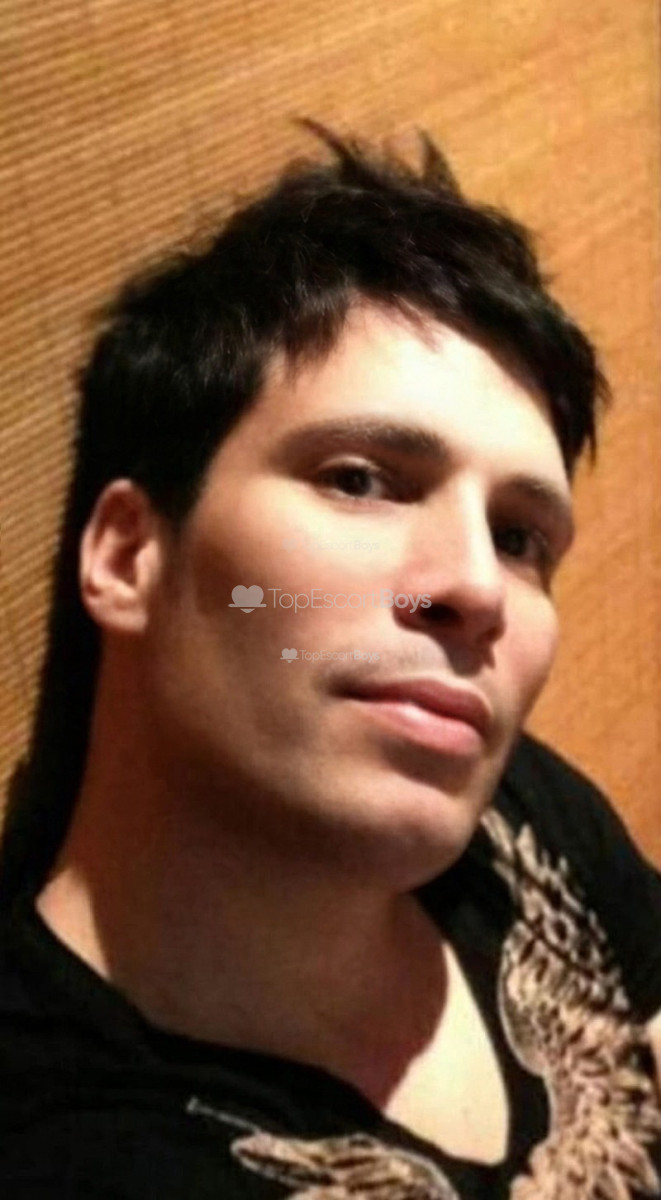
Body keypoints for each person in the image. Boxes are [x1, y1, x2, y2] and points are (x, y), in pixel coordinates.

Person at [1, 119, 661, 1200]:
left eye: (517, 538)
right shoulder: (64, 1146)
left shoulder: (520, 819)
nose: (476, 589)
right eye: (358, 479)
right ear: (128, 556)